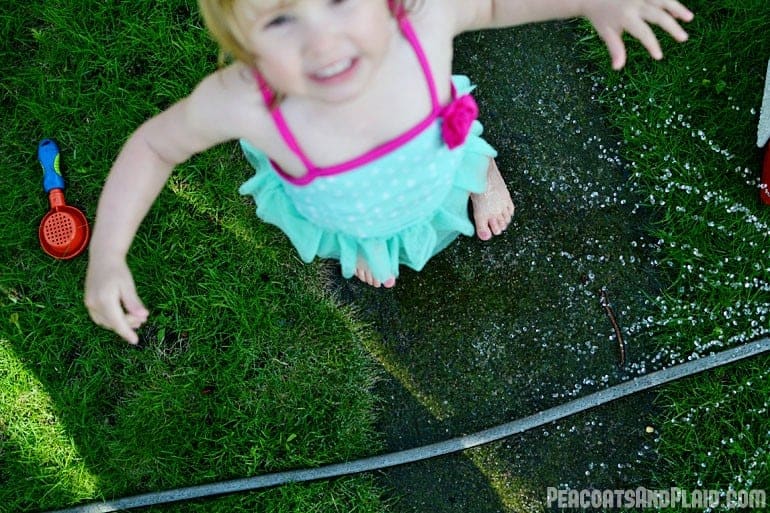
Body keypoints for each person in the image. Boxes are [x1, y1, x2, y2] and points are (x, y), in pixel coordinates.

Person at [85, 0, 693, 344]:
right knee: (365, 231)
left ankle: (482, 175)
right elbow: (154, 148)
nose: (322, 42)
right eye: (278, 19)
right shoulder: (248, 102)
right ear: (242, 44)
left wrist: (591, 1)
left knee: (458, 158)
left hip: (434, 164)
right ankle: (373, 241)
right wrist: (107, 255)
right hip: (349, 207)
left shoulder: (424, 28)